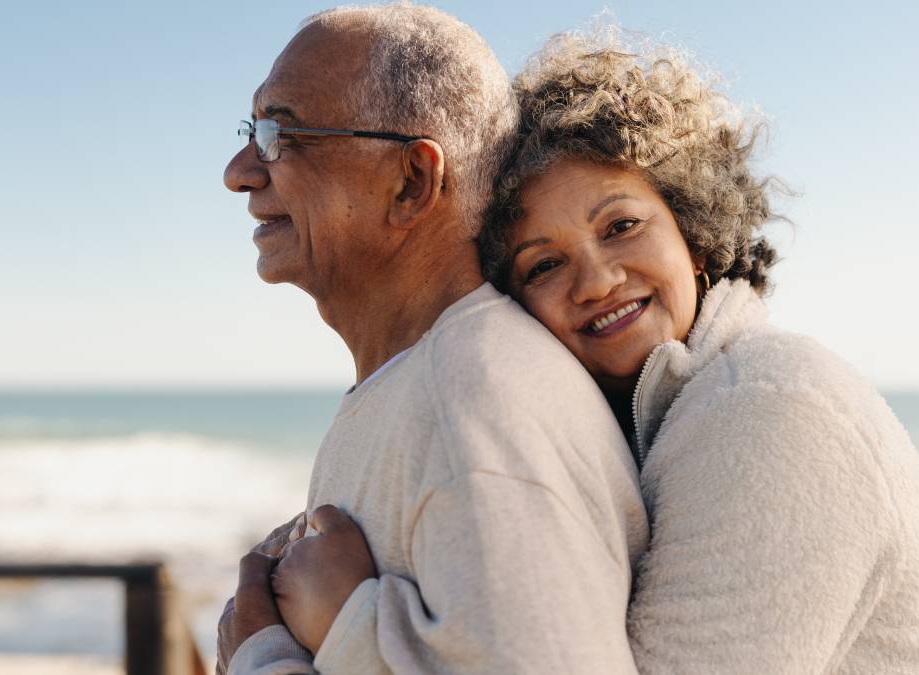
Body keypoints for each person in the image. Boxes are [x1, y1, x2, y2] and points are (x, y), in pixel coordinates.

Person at [474, 33, 919, 673]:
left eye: (621, 226)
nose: (595, 281)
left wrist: (353, 622)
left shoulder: (767, 408)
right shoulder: (649, 421)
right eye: (543, 263)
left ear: (696, 236)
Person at [217, 6, 648, 675]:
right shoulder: (433, 381)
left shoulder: (472, 403)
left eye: (281, 132)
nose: (240, 170)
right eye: (253, 130)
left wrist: (261, 657)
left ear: (412, 182)